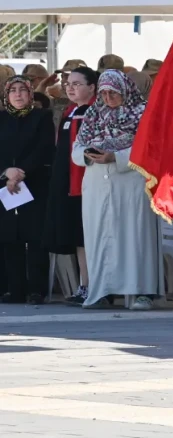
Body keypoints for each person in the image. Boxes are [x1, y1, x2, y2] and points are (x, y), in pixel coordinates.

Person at [73, 70, 159, 310]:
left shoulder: (142, 113)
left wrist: (116, 156)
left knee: (134, 237)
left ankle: (142, 292)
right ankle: (101, 291)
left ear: (125, 90)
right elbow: (77, 147)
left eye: (113, 93)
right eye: (104, 93)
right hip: (97, 184)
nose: (108, 98)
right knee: (100, 237)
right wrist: (87, 154)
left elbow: (150, 148)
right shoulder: (93, 113)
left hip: (131, 182)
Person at [44, 67, 96, 305]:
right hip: (66, 181)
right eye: (68, 84)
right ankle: (84, 284)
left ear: (92, 87)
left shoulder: (94, 112)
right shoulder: (70, 110)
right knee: (77, 236)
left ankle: (93, 285)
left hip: (86, 182)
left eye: (77, 83)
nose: (70, 87)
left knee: (86, 236)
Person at [0, 76, 54, 304]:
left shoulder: (42, 117)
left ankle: (36, 290)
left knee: (35, 237)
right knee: (9, 237)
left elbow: (44, 148)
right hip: (6, 185)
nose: (18, 94)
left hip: (35, 183)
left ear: (31, 93)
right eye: (13, 90)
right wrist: (7, 171)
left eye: (22, 90)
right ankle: (15, 289)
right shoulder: (1, 119)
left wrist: (21, 172)